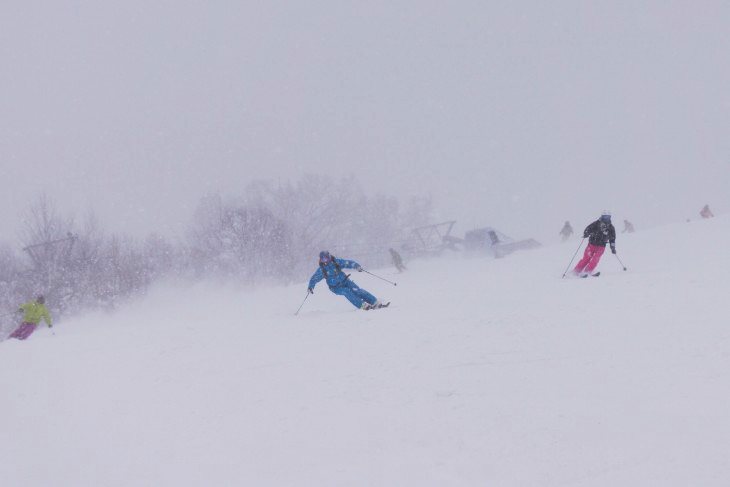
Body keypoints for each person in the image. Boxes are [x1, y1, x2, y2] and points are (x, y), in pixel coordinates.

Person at [308, 251, 384, 310]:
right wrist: (310, 287)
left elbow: (348, 263)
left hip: (345, 281)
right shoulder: (322, 270)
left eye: (326, 258)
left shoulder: (336, 262)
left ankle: (375, 302)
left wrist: (356, 266)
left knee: (357, 290)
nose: (325, 261)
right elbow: (314, 279)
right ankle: (362, 305)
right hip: (336, 287)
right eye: (322, 259)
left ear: (329, 257)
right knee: (347, 292)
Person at [573, 212, 616, 277]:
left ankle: (587, 272)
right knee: (586, 258)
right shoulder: (597, 223)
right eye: (604, 217)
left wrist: (612, 247)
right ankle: (576, 271)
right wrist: (586, 233)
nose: (606, 219)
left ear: (610, 217)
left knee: (595, 259)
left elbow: (612, 238)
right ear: (602, 216)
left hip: (601, 246)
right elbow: (588, 228)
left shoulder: (611, 227)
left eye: (607, 217)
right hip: (592, 244)